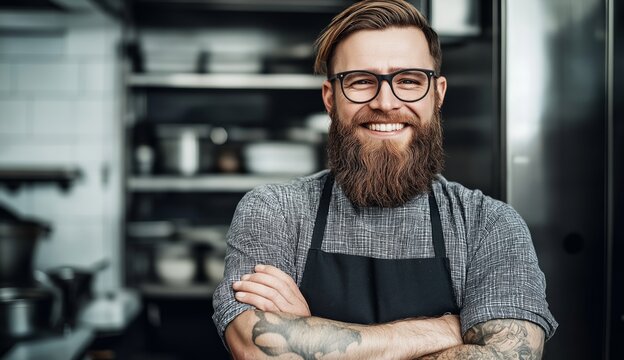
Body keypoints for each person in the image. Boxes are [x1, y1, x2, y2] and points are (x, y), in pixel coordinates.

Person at [212, 0, 558, 358]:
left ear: (437, 94)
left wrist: (310, 335)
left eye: (408, 80)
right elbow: (256, 349)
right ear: (330, 99)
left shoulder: (488, 226)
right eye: (361, 81)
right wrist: (442, 331)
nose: (385, 102)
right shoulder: (276, 212)